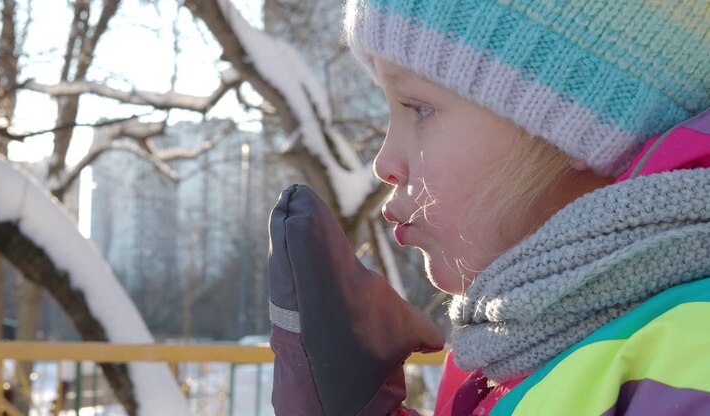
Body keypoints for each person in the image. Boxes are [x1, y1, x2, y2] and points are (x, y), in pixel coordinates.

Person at [267, 1, 708, 415]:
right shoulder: (508, 344)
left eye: (417, 109)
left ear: (571, 118)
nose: (384, 163)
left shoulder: (689, 359)